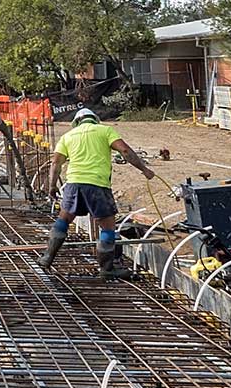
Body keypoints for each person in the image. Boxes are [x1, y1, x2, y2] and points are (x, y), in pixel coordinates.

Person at [39, 107, 157, 277]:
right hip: (97, 185)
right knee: (107, 226)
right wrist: (144, 170)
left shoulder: (68, 136)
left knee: (64, 220)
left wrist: (51, 186)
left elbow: (55, 163)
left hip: (73, 185)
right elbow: (125, 151)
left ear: (77, 122)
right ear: (94, 119)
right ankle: (107, 269)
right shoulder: (105, 130)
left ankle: (47, 258)